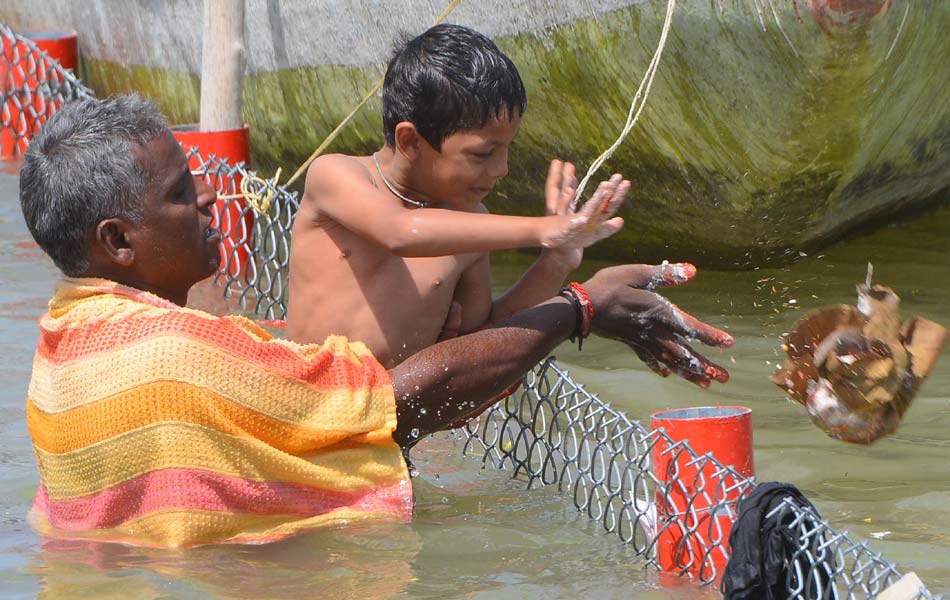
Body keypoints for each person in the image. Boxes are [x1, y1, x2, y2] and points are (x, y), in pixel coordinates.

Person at [20, 95, 731, 549]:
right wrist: (582, 308)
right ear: (118, 241)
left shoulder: (63, 345)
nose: (209, 195)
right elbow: (392, 405)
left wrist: (558, 274)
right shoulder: (184, 356)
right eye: (180, 193)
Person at [287, 24, 630, 368]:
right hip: (306, 395)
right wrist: (545, 228)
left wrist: (557, 259)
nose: (502, 169)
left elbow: (484, 334)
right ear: (410, 141)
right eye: (483, 154)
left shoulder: (471, 229)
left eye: (507, 150)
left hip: (390, 409)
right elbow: (399, 231)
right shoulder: (335, 175)